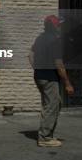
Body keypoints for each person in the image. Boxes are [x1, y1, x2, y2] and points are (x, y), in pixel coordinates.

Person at [28, 15, 74, 147]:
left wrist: (38, 69)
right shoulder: (55, 40)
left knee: (53, 104)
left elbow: (30, 55)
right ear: (54, 26)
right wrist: (68, 84)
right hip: (49, 78)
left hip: (39, 76)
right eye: (58, 25)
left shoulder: (40, 38)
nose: (60, 27)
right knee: (51, 106)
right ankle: (45, 138)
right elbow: (59, 64)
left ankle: (47, 134)